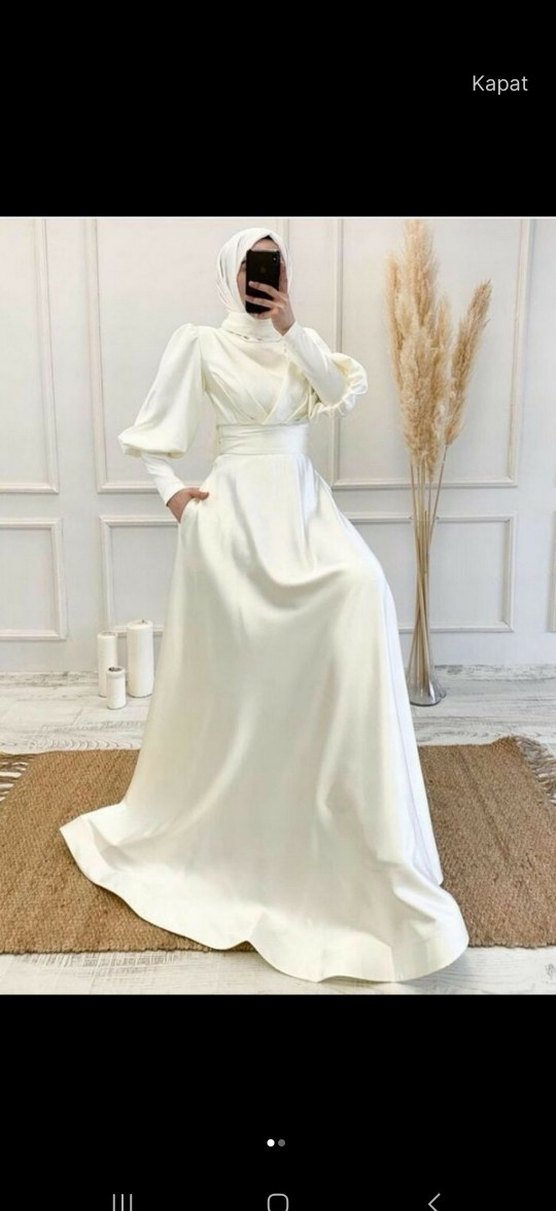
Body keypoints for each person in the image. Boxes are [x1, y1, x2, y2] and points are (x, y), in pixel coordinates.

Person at [59, 225, 469, 984]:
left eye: (273, 266)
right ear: (231, 273)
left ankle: (358, 817)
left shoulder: (298, 343)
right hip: (235, 520)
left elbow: (338, 394)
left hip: (305, 511)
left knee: (361, 588)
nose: (264, 277)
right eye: (254, 266)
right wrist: (174, 496)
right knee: (247, 672)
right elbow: (151, 438)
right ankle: (243, 813)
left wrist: (291, 325)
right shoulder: (200, 344)